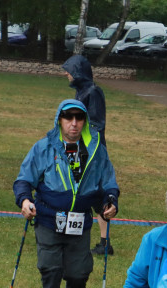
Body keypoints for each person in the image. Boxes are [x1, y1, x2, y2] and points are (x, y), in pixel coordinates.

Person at [13, 99, 119, 288]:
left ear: (84, 122)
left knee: (79, 274)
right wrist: (24, 200)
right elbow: (23, 180)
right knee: (50, 271)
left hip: (80, 223)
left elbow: (108, 184)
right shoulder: (43, 148)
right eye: (68, 118)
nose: (73, 123)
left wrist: (110, 201)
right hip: (49, 220)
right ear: (59, 120)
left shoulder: (96, 151)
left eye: (78, 118)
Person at [62, 54, 113, 257]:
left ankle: (104, 242)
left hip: (91, 153)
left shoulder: (93, 92)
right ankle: (75, 237)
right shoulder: (81, 92)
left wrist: (87, 150)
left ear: (78, 72)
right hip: (79, 149)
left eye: (69, 70)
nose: (66, 74)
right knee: (79, 191)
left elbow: (96, 124)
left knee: (97, 194)